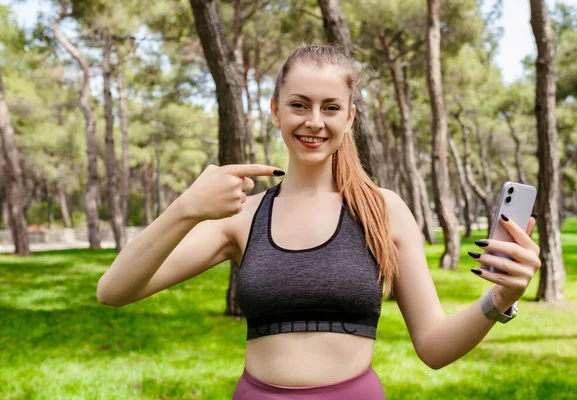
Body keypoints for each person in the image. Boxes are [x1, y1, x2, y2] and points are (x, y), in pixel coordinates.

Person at [96, 44, 541, 399]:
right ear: (275, 111)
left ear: (349, 117)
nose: (314, 121)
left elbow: (434, 347)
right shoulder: (243, 218)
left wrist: (501, 298)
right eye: (299, 105)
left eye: (330, 107)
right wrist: (185, 207)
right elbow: (114, 290)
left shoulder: (383, 211)